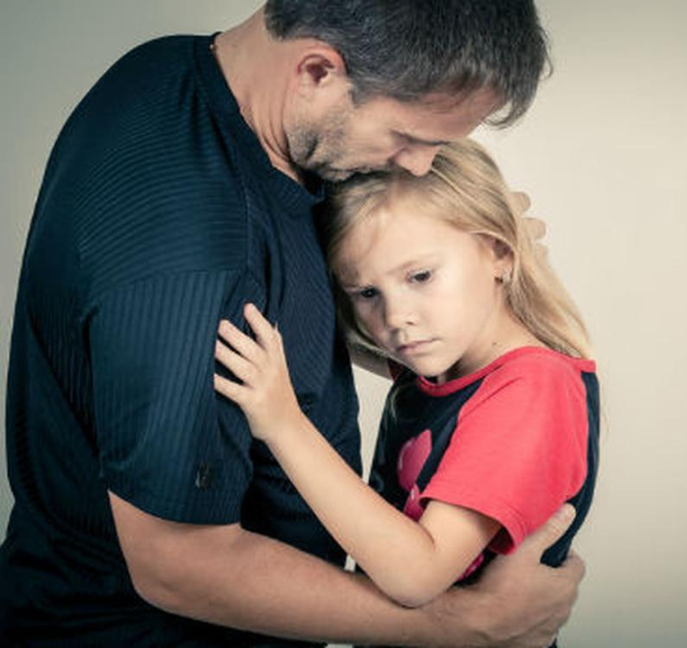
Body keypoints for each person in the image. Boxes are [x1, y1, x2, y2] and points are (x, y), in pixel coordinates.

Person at [0, 2, 583, 646]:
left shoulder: (167, 72)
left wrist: (475, 263)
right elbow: (179, 564)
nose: (417, 165)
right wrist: (470, 625)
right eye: (408, 138)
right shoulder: (198, 260)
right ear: (316, 72)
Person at [212, 139, 600, 618]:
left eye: (420, 276)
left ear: (499, 252)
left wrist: (283, 424)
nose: (396, 317)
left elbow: (418, 573)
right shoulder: (452, 363)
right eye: (368, 292)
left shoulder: (531, 389)